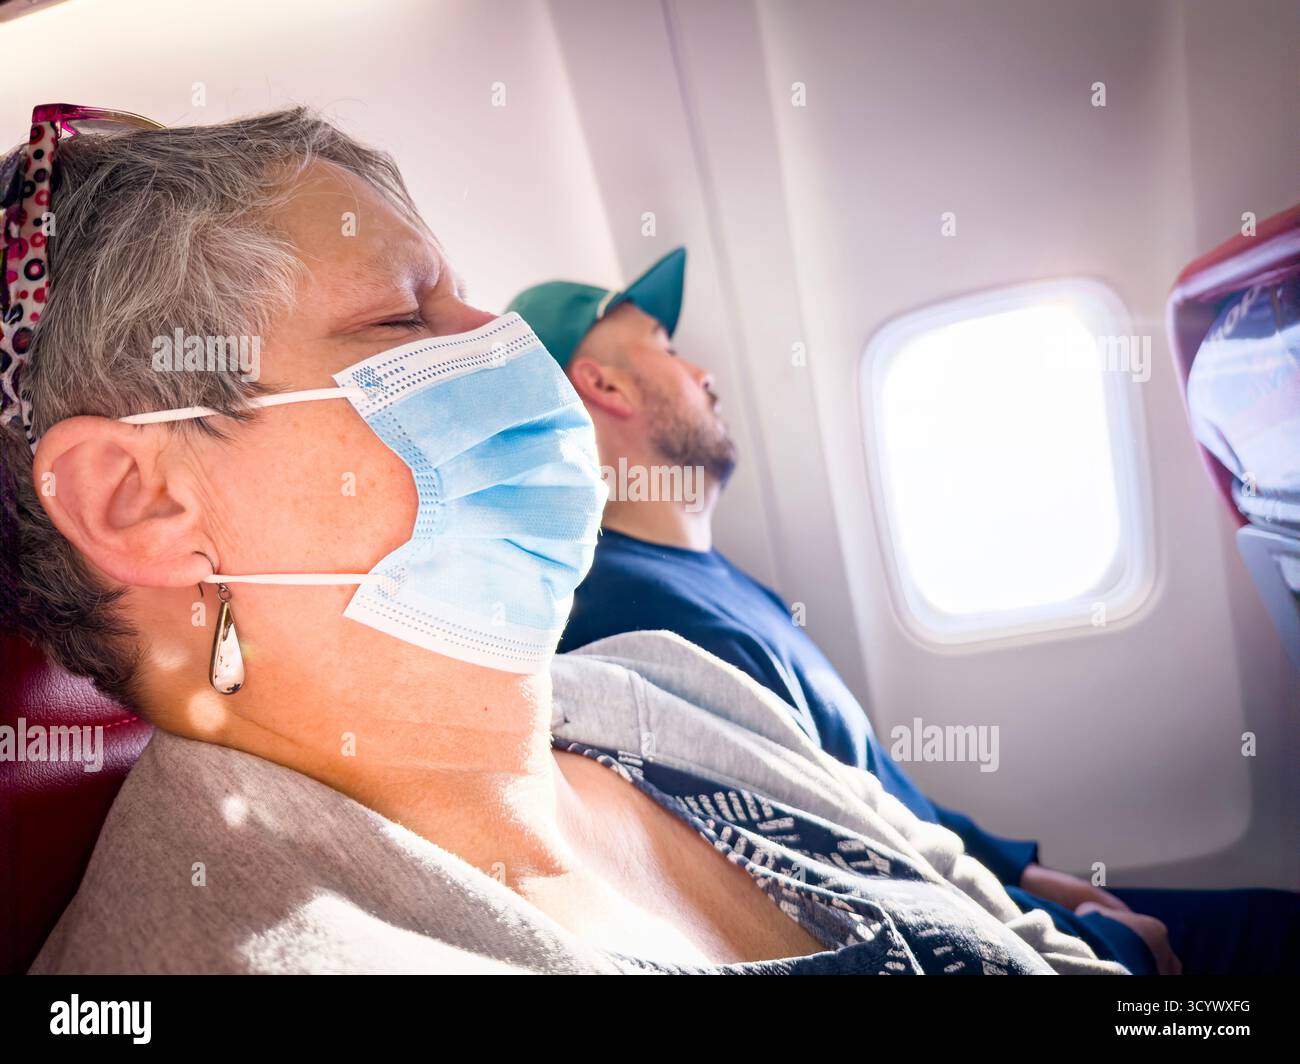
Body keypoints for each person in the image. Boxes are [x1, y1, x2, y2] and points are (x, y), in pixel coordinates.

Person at [4, 107, 1125, 975]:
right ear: (139, 499)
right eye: (404, 318)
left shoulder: (666, 687)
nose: (513, 351)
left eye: (468, 301)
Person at [508, 247, 1300, 976]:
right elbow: (842, 871)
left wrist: (1013, 864)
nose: (705, 372)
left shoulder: (704, 577)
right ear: (602, 385)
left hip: (987, 890)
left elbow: (860, 783)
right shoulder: (632, 615)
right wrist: (1102, 944)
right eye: (666, 346)